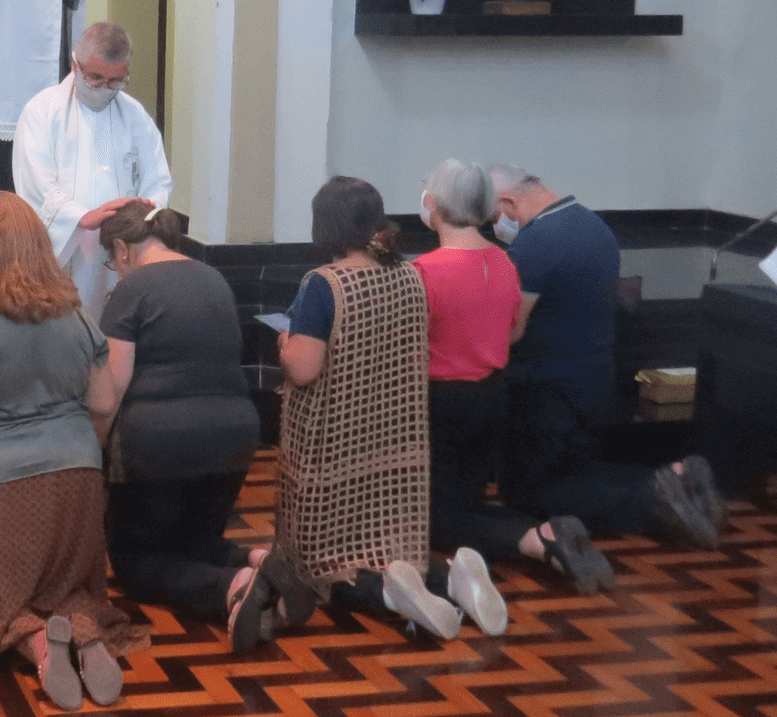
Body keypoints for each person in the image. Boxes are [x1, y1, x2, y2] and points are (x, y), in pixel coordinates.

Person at [0, 191, 146, 711]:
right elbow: (103, 399)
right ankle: (86, 634)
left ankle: (43, 646)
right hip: (76, 474)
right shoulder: (79, 318)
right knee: (67, 586)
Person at [276, 178, 493, 641]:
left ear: (325, 226)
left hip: (333, 442)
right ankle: (451, 577)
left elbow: (304, 370)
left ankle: (391, 598)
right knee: (385, 545)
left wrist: (284, 345)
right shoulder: (409, 274)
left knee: (325, 565)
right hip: (393, 438)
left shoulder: (324, 285)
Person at [93, 201, 303, 652]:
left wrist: (96, 450)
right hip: (235, 435)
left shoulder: (129, 292)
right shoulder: (214, 278)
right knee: (194, 541)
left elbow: (112, 389)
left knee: (133, 560)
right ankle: (261, 560)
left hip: (158, 443)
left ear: (123, 248)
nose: (114, 270)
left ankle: (231, 589)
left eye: (111, 261)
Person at [488, 165, 721, 547]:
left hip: (546, 385)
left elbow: (513, 328)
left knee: (527, 493)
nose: (497, 226)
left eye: (495, 216)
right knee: (576, 471)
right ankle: (675, 476)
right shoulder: (593, 226)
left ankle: (652, 502)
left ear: (509, 202)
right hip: (594, 374)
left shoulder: (536, 242)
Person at [414, 161, 613, 604]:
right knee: (466, 493)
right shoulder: (505, 263)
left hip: (441, 400)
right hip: (493, 393)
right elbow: (514, 329)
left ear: (434, 205)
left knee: (435, 516)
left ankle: (536, 538)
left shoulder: (424, 271)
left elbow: (412, 343)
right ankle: (539, 533)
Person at [13, 22, 172, 319]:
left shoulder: (136, 116)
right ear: (75, 64)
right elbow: (34, 182)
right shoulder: (41, 112)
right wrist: (81, 217)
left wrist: (144, 212)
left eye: (116, 81)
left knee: (114, 331)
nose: (104, 88)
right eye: (95, 77)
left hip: (122, 250)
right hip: (68, 249)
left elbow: (158, 181)